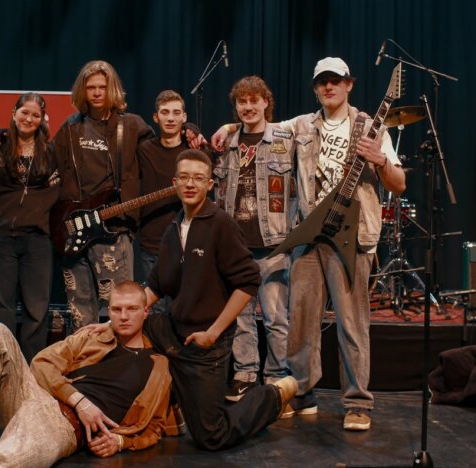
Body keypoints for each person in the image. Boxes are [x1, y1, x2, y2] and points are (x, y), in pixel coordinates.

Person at [212, 57, 406, 430]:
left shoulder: (371, 127)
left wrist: (380, 160)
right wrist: (228, 125)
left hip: (353, 239)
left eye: (336, 81)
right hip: (308, 237)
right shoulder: (300, 126)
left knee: (351, 324)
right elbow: (257, 124)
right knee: (300, 321)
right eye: (322, 82)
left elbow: (398, 184)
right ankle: (301, 392)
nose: (328, 87)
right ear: (315, 88)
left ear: (349, 84)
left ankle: (357, 402)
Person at [85, 150, 298, 450]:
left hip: (205, 343)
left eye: (198, 178)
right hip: (173, 330)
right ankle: (168, 412)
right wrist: (114, 322)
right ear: (174, 183)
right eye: (184, 178)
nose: (190, 184)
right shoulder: (174, 228)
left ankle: (273, 396)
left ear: (209, 184)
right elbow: (156, 286)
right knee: (110, 336)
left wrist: (213, 333)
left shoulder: (221, 224)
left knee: (211, 435)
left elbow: (248, 282)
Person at [0, 281, 173, 468]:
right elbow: (41, 363)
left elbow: (156, 426)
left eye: (132, 309)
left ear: (146, 312)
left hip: (63, 428)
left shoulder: (158, 367)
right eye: (117, 309)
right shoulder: (91, 337)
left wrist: (122, 441)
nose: (124, 316)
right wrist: (79, 400)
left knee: (8, 463)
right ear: (108, 311)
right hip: (37, 399)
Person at [212, 76, 296, 401]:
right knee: (242, 318)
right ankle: (245, 374)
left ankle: (276, 377)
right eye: (241, 101)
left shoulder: (285, 137)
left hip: (274, 245)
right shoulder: (226, 144)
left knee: (275, 319)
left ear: (265, 102)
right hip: (236, 247)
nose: (248, 107)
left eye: (253, 100)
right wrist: (227, 128)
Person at [52, 60, 154, 328]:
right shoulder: (71, 127)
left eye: (102, 87)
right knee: (79, 311)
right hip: (74, 229)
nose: (97, 92)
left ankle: (119, 355)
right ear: (82, 91)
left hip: (113, 229)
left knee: (120, 309)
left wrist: (191, 131)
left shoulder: (131, 125)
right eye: (91, 87)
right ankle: (85, 354)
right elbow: (47, 163)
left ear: (113, 89)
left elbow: (161, 152)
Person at [0, 92, 60, 362]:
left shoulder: (50, 152)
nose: (29, 119)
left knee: (36, 308)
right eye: (24, 112)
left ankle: (30, 368)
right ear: (14, 113)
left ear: (42, 120)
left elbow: (57, 191)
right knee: (0, 307)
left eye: (35, 115)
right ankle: (3, 365)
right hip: (0, 236)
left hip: (36, 238)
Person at [136, 91, 202, 315]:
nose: (171, 118)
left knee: (186, 309)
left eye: (176, 113)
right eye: (165, 113)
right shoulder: (143, 150)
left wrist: (194, 130)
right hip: (151, 243)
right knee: (155, 312)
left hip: (188, 242)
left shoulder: (194, 151)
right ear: (156, 117)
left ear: (184, 117)